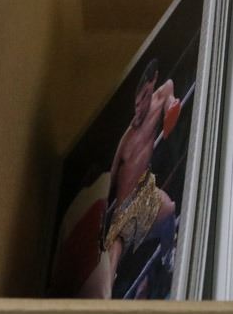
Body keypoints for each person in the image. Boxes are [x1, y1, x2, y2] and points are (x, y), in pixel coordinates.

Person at [78, 58, 182, 299]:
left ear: (152, 85)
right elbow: (110, 179)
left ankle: (168, 257)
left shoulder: (161, 95)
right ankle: (101, 303)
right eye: (136, 103)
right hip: (124, 210)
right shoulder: (126, 140)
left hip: (145, 192)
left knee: (169, 209)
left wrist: (172, 106)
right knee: (111, 262)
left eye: (144, 98)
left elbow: (170, 98)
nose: (139, 108)